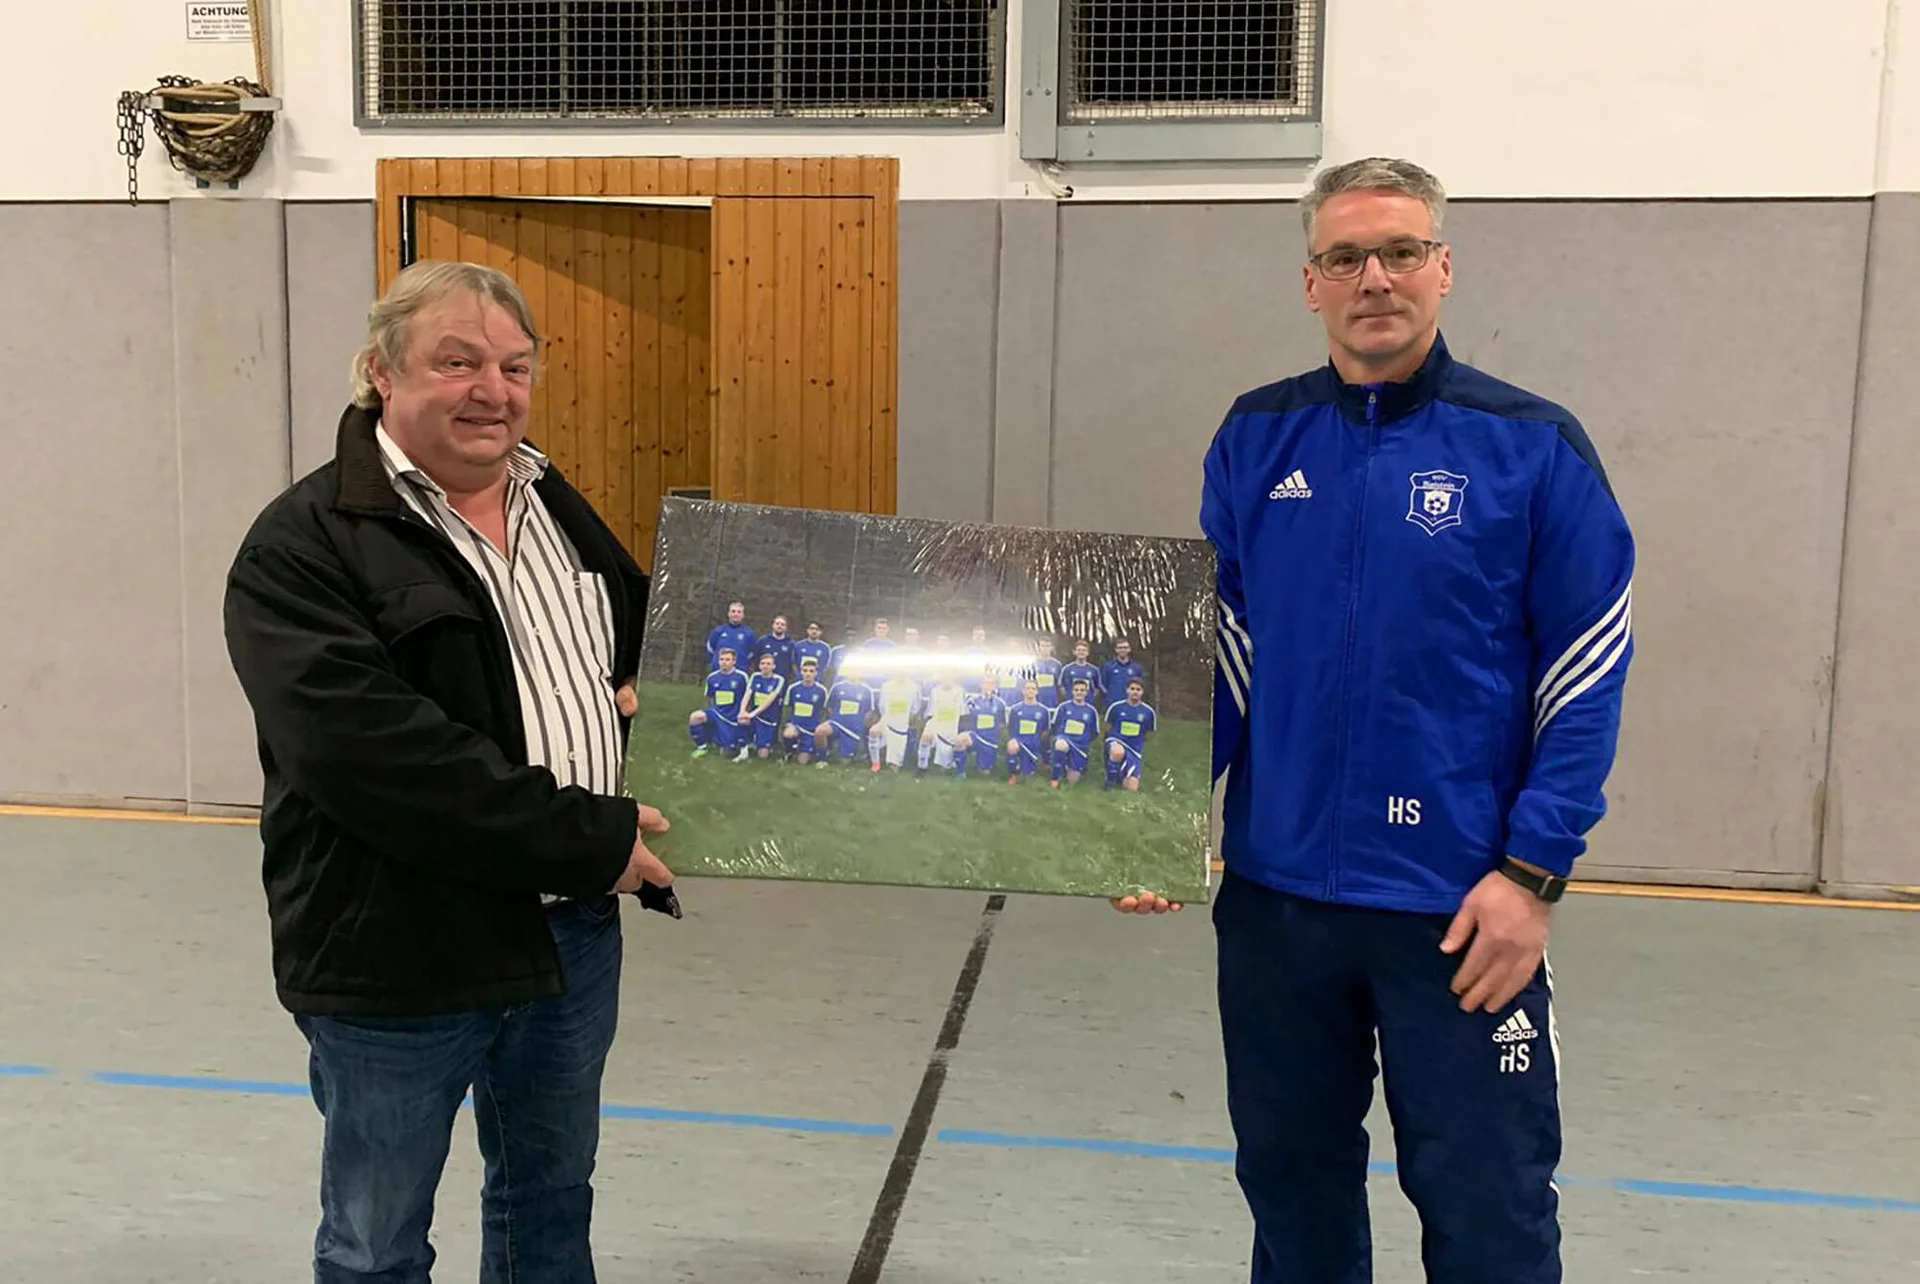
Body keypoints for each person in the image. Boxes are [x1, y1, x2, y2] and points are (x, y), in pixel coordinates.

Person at [1117, 157, 1635, 1284]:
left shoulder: (1533, 447)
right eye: (1346, 257)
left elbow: (1586, 673)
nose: (1375, 279)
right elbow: (1227, 656)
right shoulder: (1255, 439)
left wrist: (1532, 874)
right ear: (1311, 283)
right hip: (1277, 909)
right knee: (1291, 1194)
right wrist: (1150, 820)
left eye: (1401, 252)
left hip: (1457, 912)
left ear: (1444, 268)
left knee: (1490, 1207)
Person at [222, 259, 675, 1283]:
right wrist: (590, 837)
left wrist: (660, 697)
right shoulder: (303, 547)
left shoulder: (553, 500)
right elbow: (379, 760)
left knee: (550, 1207)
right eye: (458, 362)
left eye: (516, 366)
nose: (494, 390)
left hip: (567, 934)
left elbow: (640, 640)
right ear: (381, 372)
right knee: (377, 1240)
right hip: (397, 946)